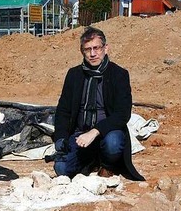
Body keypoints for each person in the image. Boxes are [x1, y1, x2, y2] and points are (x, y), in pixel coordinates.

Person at [53, 26, 144, 181]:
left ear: (105, 48)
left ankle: (108, 165)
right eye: (88, 49)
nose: (93, 54)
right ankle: (91, 161)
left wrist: (95, 131)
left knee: (113, 143)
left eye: (97, 48)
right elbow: (63, 110)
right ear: (82, 51)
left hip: (107, 132)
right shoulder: (74, 75)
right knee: (61, 168)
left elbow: (122, 114)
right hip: (79, 134)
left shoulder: (119, 74)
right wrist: (61, 138)